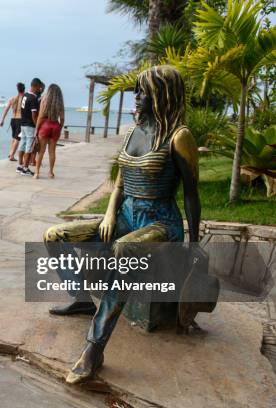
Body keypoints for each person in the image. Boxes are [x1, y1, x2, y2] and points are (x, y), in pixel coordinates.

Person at [43, 66, 200, 384]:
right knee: (54, 235)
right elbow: (119, 184)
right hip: (125, 214)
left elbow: (192, 196)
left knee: (124, 249)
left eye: (142, 91)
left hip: (159, 222)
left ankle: (94, 348)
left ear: (161, 94)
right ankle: (83, 299)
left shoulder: (179, 137)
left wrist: (192, 244)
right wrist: (110, 215)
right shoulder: (133, 131)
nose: (137, 97)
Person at [34, 84, 65, 179]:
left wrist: (36, 129)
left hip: (45, 125)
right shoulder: (60, 103)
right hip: (55, 125)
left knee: (41, 151)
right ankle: (51, 172)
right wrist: (59, 127)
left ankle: (37, 173)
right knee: (52, 152)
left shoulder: (44, 100)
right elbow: (62, 119)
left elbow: (40, 116)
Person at [17, 78, 42, 176]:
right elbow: (34, 115)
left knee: (22, 144)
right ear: (35, 86)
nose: (40, 90)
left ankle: (20, 166)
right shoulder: (33, 98)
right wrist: (37, 126)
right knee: (29, 147)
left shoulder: (25, 96)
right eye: (39, 87)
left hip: (23, 124)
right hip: (30, 125)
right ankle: (25, 168)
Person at [0, 82, 25, 161]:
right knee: (18, 138)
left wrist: (2, 120)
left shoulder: (12, 99)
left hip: (13, 120)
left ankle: (10, 153)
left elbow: (6, 110)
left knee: (14, 138)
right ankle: (11, 155)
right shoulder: (24, 98)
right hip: (20, 120)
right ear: (23, 89)